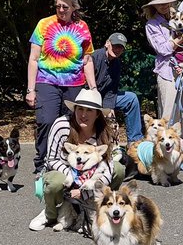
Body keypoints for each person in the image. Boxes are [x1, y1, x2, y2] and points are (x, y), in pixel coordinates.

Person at [28, 89, 121, 231]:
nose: (83, 114)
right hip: (63, 173)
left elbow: (109, 166)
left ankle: (102, 208)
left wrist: (86, 191)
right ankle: (50, 213)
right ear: (74, 109)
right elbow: (51, 159)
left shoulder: (106, 131)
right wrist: (73, 177)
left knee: (119, 170)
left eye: (89, 110)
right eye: (80, 109)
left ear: (97, 114)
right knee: (55, 182)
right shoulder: (61, 125)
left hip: (92, 178)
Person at [26, 0, 96, 171]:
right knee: (47, 120)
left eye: (65, 6)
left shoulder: (82, 27)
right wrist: (31, 89)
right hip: (47, 81)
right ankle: (42, 162)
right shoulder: (44, 24)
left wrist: (93, 88)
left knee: (73, 123)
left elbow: (87, 59)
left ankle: (67, 160)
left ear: (74, 7)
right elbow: (33, 59)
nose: (61, 10)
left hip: (74, 82)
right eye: (58, 6)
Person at [144, 0, 183, 141]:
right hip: (167, 71)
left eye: (166, 2)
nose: (164, 6)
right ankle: (166, 145)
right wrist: (182, 37)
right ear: (154, 6)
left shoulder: (181, 17)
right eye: (160, 3)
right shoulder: (152, 25)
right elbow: (163, 49)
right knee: (168, 112)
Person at [91, 33, 143, 144]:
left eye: (120, 47)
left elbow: (111, 91)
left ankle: (135, 142)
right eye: (115, 45)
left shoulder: (117, 64)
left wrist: (110, 116)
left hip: (105, 97)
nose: (117, 49)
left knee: (131, 98)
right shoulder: (95, 57)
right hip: (90, 97)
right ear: (107, 43)